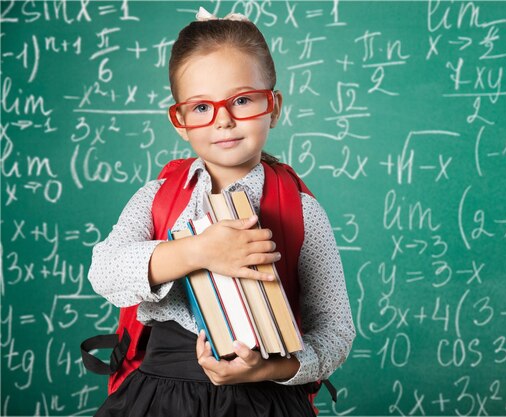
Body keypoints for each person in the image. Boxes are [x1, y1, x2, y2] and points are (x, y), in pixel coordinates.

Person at [87, 7, 355, 417]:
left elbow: (336, 330)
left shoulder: (302, 212)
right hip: (158, 398)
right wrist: (199, 252)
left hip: (263, 396)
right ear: (179, 120)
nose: (224, 121)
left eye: (243, 100)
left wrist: (271, 369)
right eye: (200, 108)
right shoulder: (157, 197)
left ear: (274, 106)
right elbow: (103, 272)